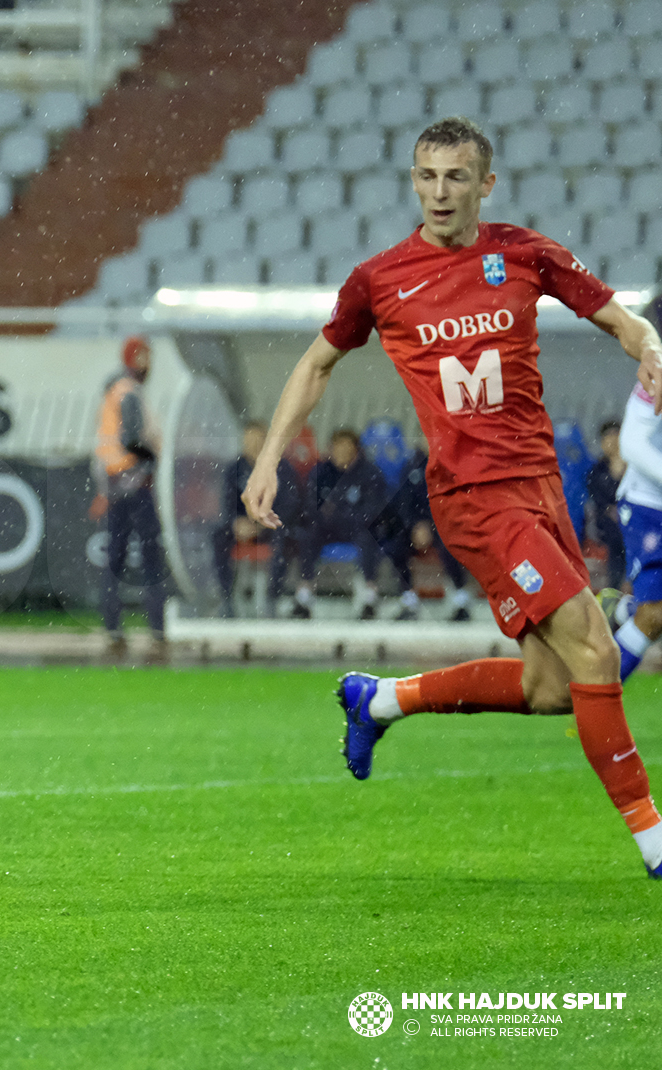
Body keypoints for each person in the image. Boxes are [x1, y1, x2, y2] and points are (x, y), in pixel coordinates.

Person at [241, 116, 662, 878]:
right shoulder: (381, 280)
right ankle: (655, 844)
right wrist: (270, 455)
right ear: (413, 181)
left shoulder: (524, 254)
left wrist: (654, 348)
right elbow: (315, 365)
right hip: (474, 497)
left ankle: (381, 701)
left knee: (553, 689)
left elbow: (620, 321)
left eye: (456, 177)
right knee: (598, 646)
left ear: (484, 185)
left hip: (541, 488)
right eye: (428, 176)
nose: (441, 191)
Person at [94, 336, 168, 656]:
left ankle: (113, 627)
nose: (146, 363)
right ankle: (157, 628)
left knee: (116, 559)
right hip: (134, 484)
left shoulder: (116, 390)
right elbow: (133, 438)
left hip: (115, 484)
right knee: (151, 558)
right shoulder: (128, 393)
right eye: (142, 357)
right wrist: (154, 456)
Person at [292, 428, 389, 620]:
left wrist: (338, 512)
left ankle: (369, 596)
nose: (341, 452)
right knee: (307, 535)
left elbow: (372, 510)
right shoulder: (321, 472)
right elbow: (312, 507)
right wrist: (335, 513)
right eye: (337, 448)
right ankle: (304, 595)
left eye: (346, 447)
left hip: (357, 528)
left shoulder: (370, 473)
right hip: (327, 528)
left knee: (369, 537)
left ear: (356, 449)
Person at [377, 434, 474, 622]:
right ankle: (409, 600)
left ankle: (461, 601)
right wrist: (415, 525)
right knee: (393, 545)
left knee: (450, 546)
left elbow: (457, 503)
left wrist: (432, 525)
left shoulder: (454, 466)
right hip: (416, 526)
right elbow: (403, 501)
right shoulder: (411, 466)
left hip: (446, 525)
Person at [600, 391, 662, 681]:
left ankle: (624, 610)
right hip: (648, 506)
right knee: (654, 617)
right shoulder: (656, 370)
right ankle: (594, 708)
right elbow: (632, 445)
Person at [212, 420, 299, 618]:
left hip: (271, 525)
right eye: (249, 440)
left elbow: (289, 505)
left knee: (284, 538)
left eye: (258, 439)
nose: (254, 444)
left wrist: (262, 523)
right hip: (243, 525)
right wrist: (236, 522)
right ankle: (226, 597)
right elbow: (227, 503)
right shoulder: (234, 469)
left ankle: (272, 596)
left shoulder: (282, 468)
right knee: (218, 535)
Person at [587, 420, 626, 589]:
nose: (613, 442)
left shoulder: (636, 468)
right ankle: (615, 588)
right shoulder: (597, 471)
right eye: (608, 438)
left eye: (616, 436)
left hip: (633, 525)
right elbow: (603, 503)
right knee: (614, 531)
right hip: (609, 532)